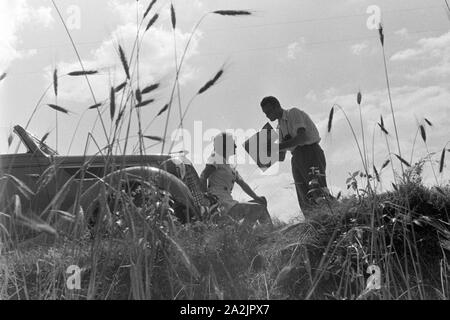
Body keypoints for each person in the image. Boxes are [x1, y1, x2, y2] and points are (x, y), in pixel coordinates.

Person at [260, 96, 328, 216]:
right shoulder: (279, 127)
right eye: (265, 113)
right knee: (304, 196)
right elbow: (281, 157)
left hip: (310, 151)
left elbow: (301, 138)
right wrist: (263, 153)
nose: (267, 116)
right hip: (296, 157)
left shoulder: (293, 113)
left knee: (318, 190)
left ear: (277, 106)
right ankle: (315, 224)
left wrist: (275, 148)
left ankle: (337, 214)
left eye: (269, 111)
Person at [200, 132, 273, 228]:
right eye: (233, 143)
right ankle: (243, 235)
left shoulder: (230, 167)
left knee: (261, 203)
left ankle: (269, 232)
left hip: (229, 203)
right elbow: (203, 176)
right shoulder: (216, 157)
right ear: (225, 145)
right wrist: (206, 198)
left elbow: (243, 184)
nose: (235, 146)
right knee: (257, 208)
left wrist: (257, 198)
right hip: (220, 203)